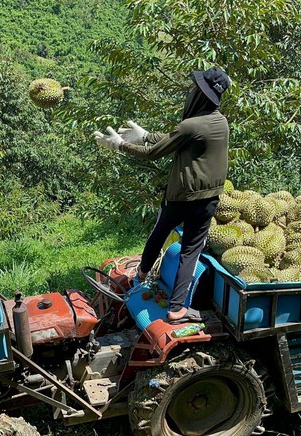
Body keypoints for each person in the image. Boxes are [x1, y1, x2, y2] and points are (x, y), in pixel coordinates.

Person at [93, 66, 231, 324]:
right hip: (208, 199)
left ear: (200, 95)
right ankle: (178, 307)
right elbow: (173, 138)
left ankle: (142, 274)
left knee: (160, 232)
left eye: (193, 88)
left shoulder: (191, 125)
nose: (190, 91)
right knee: (191, 251)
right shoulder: (220, 122)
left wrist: (121, 145)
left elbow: (154, 153)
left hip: (180, 197)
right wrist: (145, 135)